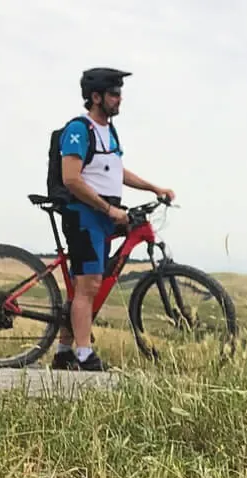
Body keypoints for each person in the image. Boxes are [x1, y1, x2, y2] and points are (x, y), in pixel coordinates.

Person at [50, 67, 176, 372]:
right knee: (89, 285)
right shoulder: (79, 129)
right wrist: (108, 210)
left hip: (103, 216)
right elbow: (71, 179)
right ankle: (84, 355)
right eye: (114, 94)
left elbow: (116, 171)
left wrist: (153, 187)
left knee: (86, 284)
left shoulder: (108, 132)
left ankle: (65, 351)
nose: (119, 99)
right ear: (96, 97)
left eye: (119, 93)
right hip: (84, 215)